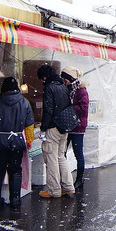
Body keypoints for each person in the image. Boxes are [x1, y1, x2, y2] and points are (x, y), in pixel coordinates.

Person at [0, 77, 35, 210]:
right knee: (15, 170)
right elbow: (29, 124)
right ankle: (15, 200)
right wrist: (29, 140)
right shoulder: (24, 102)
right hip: (17, 141)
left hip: (0, 141)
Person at [37, 64, 76, 198]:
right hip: (64, 127)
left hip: (53, 127)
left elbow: (48, 110)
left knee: (51, 158)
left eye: (41, 79)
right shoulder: (63, 87)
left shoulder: (49, 88)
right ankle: (68, 187)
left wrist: (43, 129)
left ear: (44, 77)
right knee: (61, 157)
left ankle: (54, 190)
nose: (41, 82)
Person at [62, 67, 89, 190]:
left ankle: (79, 179)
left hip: (78, 127)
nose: (64, 80)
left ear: (70, 78)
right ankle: (65, 178)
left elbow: (84, 109)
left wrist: (70, 108)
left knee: (78, 154)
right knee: (62, 153)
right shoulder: (66, 89)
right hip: (67, 126)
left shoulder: (81, 90)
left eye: (65, 78)